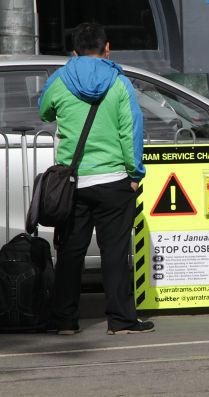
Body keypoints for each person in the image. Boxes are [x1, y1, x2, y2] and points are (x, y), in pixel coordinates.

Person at [39, 22, 155, 334]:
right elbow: (131, 131)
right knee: (115, 254)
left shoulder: (60, 79)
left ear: (73, 51)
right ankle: (120, 321)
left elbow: (44, 112)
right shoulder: (120, 83)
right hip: (114, 181)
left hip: (73, 183)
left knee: (70, 253)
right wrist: (135, 174)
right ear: (107, 48)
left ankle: (65, 321)